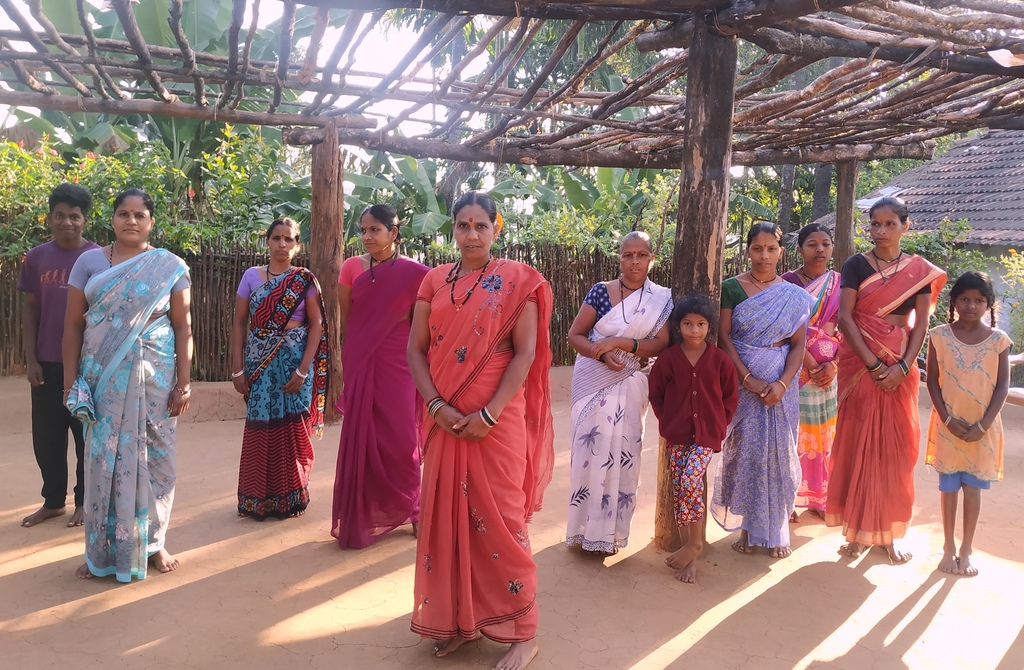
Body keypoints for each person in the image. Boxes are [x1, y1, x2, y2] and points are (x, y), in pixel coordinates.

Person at [407, 191, 553, 670]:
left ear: (496, 228)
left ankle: (523, 632)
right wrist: (435, 405)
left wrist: (487, 414)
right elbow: (416, 350)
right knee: (447, 520)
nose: (472, 234)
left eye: (481, 226)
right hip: (443, 420)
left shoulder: (518, 282)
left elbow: (525, 353)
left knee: (504, 521)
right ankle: (457, 622)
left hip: (496, 422)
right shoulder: (432, 281)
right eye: (463, 225)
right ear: (453, 229)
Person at [63, 188, 192, 581]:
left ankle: (154, 543)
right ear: (112, 219)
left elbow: (184, 326)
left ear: (151, 221)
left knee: (157, 460)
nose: (131, 221)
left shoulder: (169, 265)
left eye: (139, 215)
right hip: (102, 379)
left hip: (155, 377)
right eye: (123, 213)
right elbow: (72, 325)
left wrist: (183, 383)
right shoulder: (88, 263)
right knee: (104, 461)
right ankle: (101, 551)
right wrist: (71, 382)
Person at [825, 197, 946, 563]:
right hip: (862, 367)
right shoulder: (855, 265)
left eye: (889, 223)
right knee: (858, 444)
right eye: (875, 224)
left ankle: (891, 533)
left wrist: (903, 367)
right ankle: (858, 532)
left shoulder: (919, 271)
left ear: (905, 226)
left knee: (894, 451)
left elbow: (920, 323)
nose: (880, 231)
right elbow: (846, 318)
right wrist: (875, 366)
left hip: (901, 367)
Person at [565, 231, 672, 555]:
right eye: (628, 255)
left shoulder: (660, 298)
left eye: (642, 255)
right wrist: (601, 353)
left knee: (623, 457)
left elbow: (662, 342)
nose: (635, 261)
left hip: (629, 381)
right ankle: (582, 532)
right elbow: (575, 335)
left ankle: (610, 535)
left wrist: (622, 344)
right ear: (620, 258)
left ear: (652, 258)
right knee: (588, 455)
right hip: (592, 380)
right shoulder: (600, 293)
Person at [332, 205, 429, 548]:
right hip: (362, 358)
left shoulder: (418, 273)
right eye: (364, 230)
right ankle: (363, 511)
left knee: (402, 436)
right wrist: (353, 355)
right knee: (363, 434)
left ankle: (413, 508)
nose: (367, 236)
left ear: (394, 232)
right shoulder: (350, 268)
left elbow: (421, 324)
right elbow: (351, 318)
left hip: (400, 362)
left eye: (375, 230)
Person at [714, 222, 813, 558]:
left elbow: (799, 344)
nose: (764, 255)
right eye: (758, 248)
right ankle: (746, 529)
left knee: (779, 453)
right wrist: (746, 379)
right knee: (743, 453)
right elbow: (724, 338)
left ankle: (775, 531)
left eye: (771, 249)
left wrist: (783, 383)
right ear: (748, 250)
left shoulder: (794, 296)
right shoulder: (732, 288)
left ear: (781, 252)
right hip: (743, 387)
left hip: (781, 390)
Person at [231, 217, 328, 521]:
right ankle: (258, 497)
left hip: (294, 362)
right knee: (261, 423)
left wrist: (302, 370)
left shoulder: (305, 279)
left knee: (293, 426)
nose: (282, 244)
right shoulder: (250, 276)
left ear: (297, 245)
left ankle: (291, 495)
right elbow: (239, 322)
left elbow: (317, 325)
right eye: (276, 238)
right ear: (268, 241)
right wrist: (237, 369)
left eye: (289, 239)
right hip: (259, 363)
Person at [18, 184, 99, 528]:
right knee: (47, 437)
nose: (67, 222)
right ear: (50, 218)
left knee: (85, 437)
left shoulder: (98, 258)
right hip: (47, 363)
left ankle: (84, 501)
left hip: (86, 365)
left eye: (74, 216)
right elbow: (30, 311)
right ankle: (53, 502)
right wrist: (31, 358)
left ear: (85, 220)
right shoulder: (37, 258)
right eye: (60, 215)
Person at [926, 271, 1011, 577]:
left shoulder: (999, 341)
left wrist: (983, 425)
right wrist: (947, 420)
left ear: (989, 304)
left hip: (982, 429)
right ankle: (948, 547)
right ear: (954, 301)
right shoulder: (938, 335)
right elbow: (932, 382)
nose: (971, 306)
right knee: (948, 488)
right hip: (948, 427)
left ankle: (967, 549)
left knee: (972, 490)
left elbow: (1002, 387)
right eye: (964, 299)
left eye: (979, 300)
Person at [649, 294, 738, 583]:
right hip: (677, 435)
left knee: (690, 481)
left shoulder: (721, 360)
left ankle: (695, 543)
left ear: (709, 327)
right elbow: (657, 394)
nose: (694, 330)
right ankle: (691, 556)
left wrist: (719, 425)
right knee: (681, 492)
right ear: (679, 327)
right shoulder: (668, 360)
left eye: (700, 324)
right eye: (688, 324)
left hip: (706, 436)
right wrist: (668, 421)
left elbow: (729, 397)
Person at [781, 223, 842, 519]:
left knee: (824, 435)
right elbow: (784, 329)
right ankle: (790, 497)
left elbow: (847, 327)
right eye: (812, 244)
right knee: (793, 434)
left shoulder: (841, 285)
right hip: (796, 369)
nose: (820, 250)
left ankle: (819, 496)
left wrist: (833, 364)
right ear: (799, 249)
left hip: (829, 373)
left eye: (826, 244)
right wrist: (810, 363)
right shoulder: (786, 284)